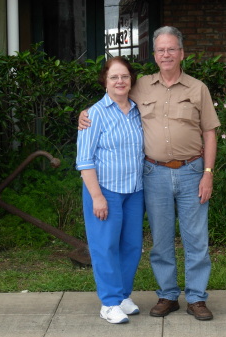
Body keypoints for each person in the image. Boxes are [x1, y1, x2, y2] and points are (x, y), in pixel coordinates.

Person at [79, 26, 220, 321]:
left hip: (190, 172)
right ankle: (167, 295)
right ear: (154, 55)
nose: (165, 54)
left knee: (195, 239)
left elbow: (209, 132)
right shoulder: (140, 87)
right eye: (160, 50)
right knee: (161, 240)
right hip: (151, 174)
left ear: (181, 53)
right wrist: (83, 115)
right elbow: (108, 105)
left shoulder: (197, 89)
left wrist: (208, 172)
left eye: (171, 49)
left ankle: (196, 298)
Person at [76, 56, 145, 324]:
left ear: (131, 81)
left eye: (125, 76)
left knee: (131, 246)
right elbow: (84, 160)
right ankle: (109, 302)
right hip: (105, 190)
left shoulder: (139, 110)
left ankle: (123, 295)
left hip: (134, 191)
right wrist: (97, 197)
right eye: (114, 77)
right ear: (105, 81)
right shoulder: (93, 115)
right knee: (105, 246)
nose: (120, 81)